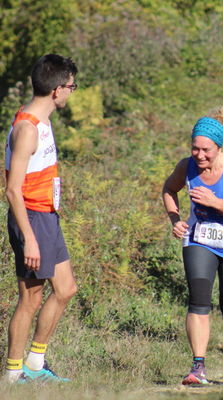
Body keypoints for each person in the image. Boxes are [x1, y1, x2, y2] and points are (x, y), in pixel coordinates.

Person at [162, 108, 223, 385]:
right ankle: (198, 366)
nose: (200, 155)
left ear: (219, 147)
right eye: (195, 148)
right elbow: (169, 190)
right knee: (199, 300)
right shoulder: (186, 166)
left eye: (206, 150)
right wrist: (175, 219)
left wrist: (214, 201)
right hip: (199, 239)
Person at [3, 54, 78, 384]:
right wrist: (30, 237)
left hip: (47, 216)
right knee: (30, 298)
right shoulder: (27, 129)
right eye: (72, 87)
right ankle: (13, 372)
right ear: (58, 89)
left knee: (65, 289)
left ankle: (35, 364)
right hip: (31, 219)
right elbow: (12, 190)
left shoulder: (42, 123)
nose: (72, 93)